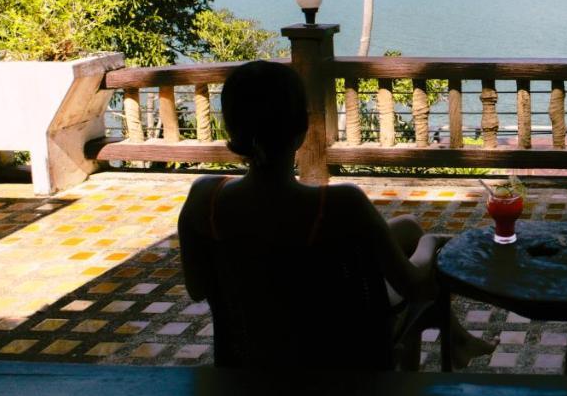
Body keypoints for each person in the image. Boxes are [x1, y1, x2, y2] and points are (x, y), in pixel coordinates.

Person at [178, 60, 495, 370]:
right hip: (331, 350)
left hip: (251, 355)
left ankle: (460, 341)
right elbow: (414, 285)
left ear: (232, 127)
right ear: (302, 127)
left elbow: (196, 289)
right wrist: (432, 242)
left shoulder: (204, 198)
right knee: (419, 245)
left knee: (408, 226)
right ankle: (431, 365)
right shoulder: (341, 205)